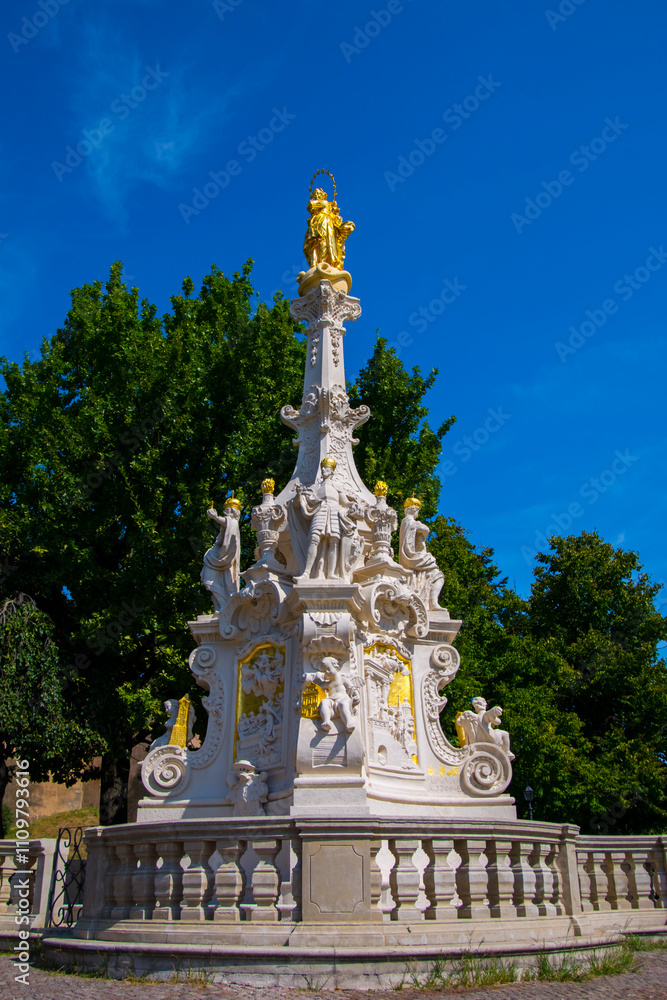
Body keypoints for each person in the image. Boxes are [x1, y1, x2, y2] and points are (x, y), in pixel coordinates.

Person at [294, 456, 362, 581]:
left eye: (326, 468)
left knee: (334, 541)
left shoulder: (337, 485)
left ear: (331, 471)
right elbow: (299, 502)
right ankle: (306, 572)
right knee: (314, 538)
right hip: (320, 510)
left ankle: (331, 573)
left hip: (334, 511)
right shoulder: (315, 487)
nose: (323, 470)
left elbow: (345, 502)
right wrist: (299, 494)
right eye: (323, 468)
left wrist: (354, 505)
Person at [399, 497, 444, 609]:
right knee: (438, 575)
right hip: (417, 559)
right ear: (414, 510)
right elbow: (425, 529)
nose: (418, 513)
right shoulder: (409, 521)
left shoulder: (408, 522)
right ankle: (432, 603)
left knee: (435, 575)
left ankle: (432, 602)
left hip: (419, 559)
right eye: (418, 510)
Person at [200, 497, 241, 611]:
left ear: (234, 512)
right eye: (225, 510)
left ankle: (224, 606)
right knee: (208, 582)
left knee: (210, 582)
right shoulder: (227, 525)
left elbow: (228, 523)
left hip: (221, 559)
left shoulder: (233, 524)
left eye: (228, 510)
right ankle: (222, 605)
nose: (225, 513)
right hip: (213, 558)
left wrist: (215, 517)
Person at [303, 656, 360, 732]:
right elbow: (317, 686)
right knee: (324, 702)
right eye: (324, 670)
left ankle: (349, 722)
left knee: (343, 704)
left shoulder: (343, 679)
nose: (327, 672)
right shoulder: (327, 683)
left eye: (328, 669)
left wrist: (356, 695)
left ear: (335, 667)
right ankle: (326, 721)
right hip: (332, 701)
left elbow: (352, 688)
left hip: (343, 698)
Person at [303, 188, 355, 270]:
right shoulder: (314, 215)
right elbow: (309, 206)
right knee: (314, 243)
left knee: (324, 240)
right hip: (315, 225)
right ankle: (315, 262)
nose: (316, 195)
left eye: (318, 193)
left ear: (322, 195)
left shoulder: (324, 203)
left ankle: (323, 262)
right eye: (315, 194)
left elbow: (311, 205)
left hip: (324, 222)